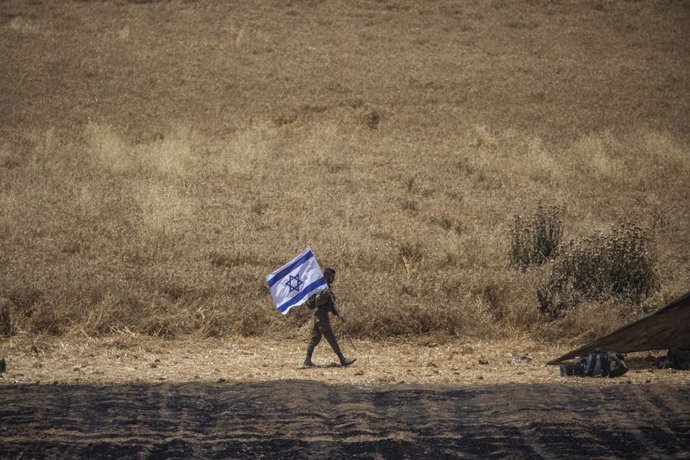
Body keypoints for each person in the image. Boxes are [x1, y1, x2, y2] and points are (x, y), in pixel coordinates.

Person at [304, 267, 356, 367]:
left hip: (321, 315)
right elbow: (318, 302)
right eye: (332, 276)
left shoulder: (326, 287)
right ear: (327, 276)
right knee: (330, 336)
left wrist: (339, 315)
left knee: (315, 338)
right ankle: (342, 359)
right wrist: (325, 293)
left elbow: (331, 306)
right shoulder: (322, 288)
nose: (333, 278)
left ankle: (307, 360)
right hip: (321, 315)